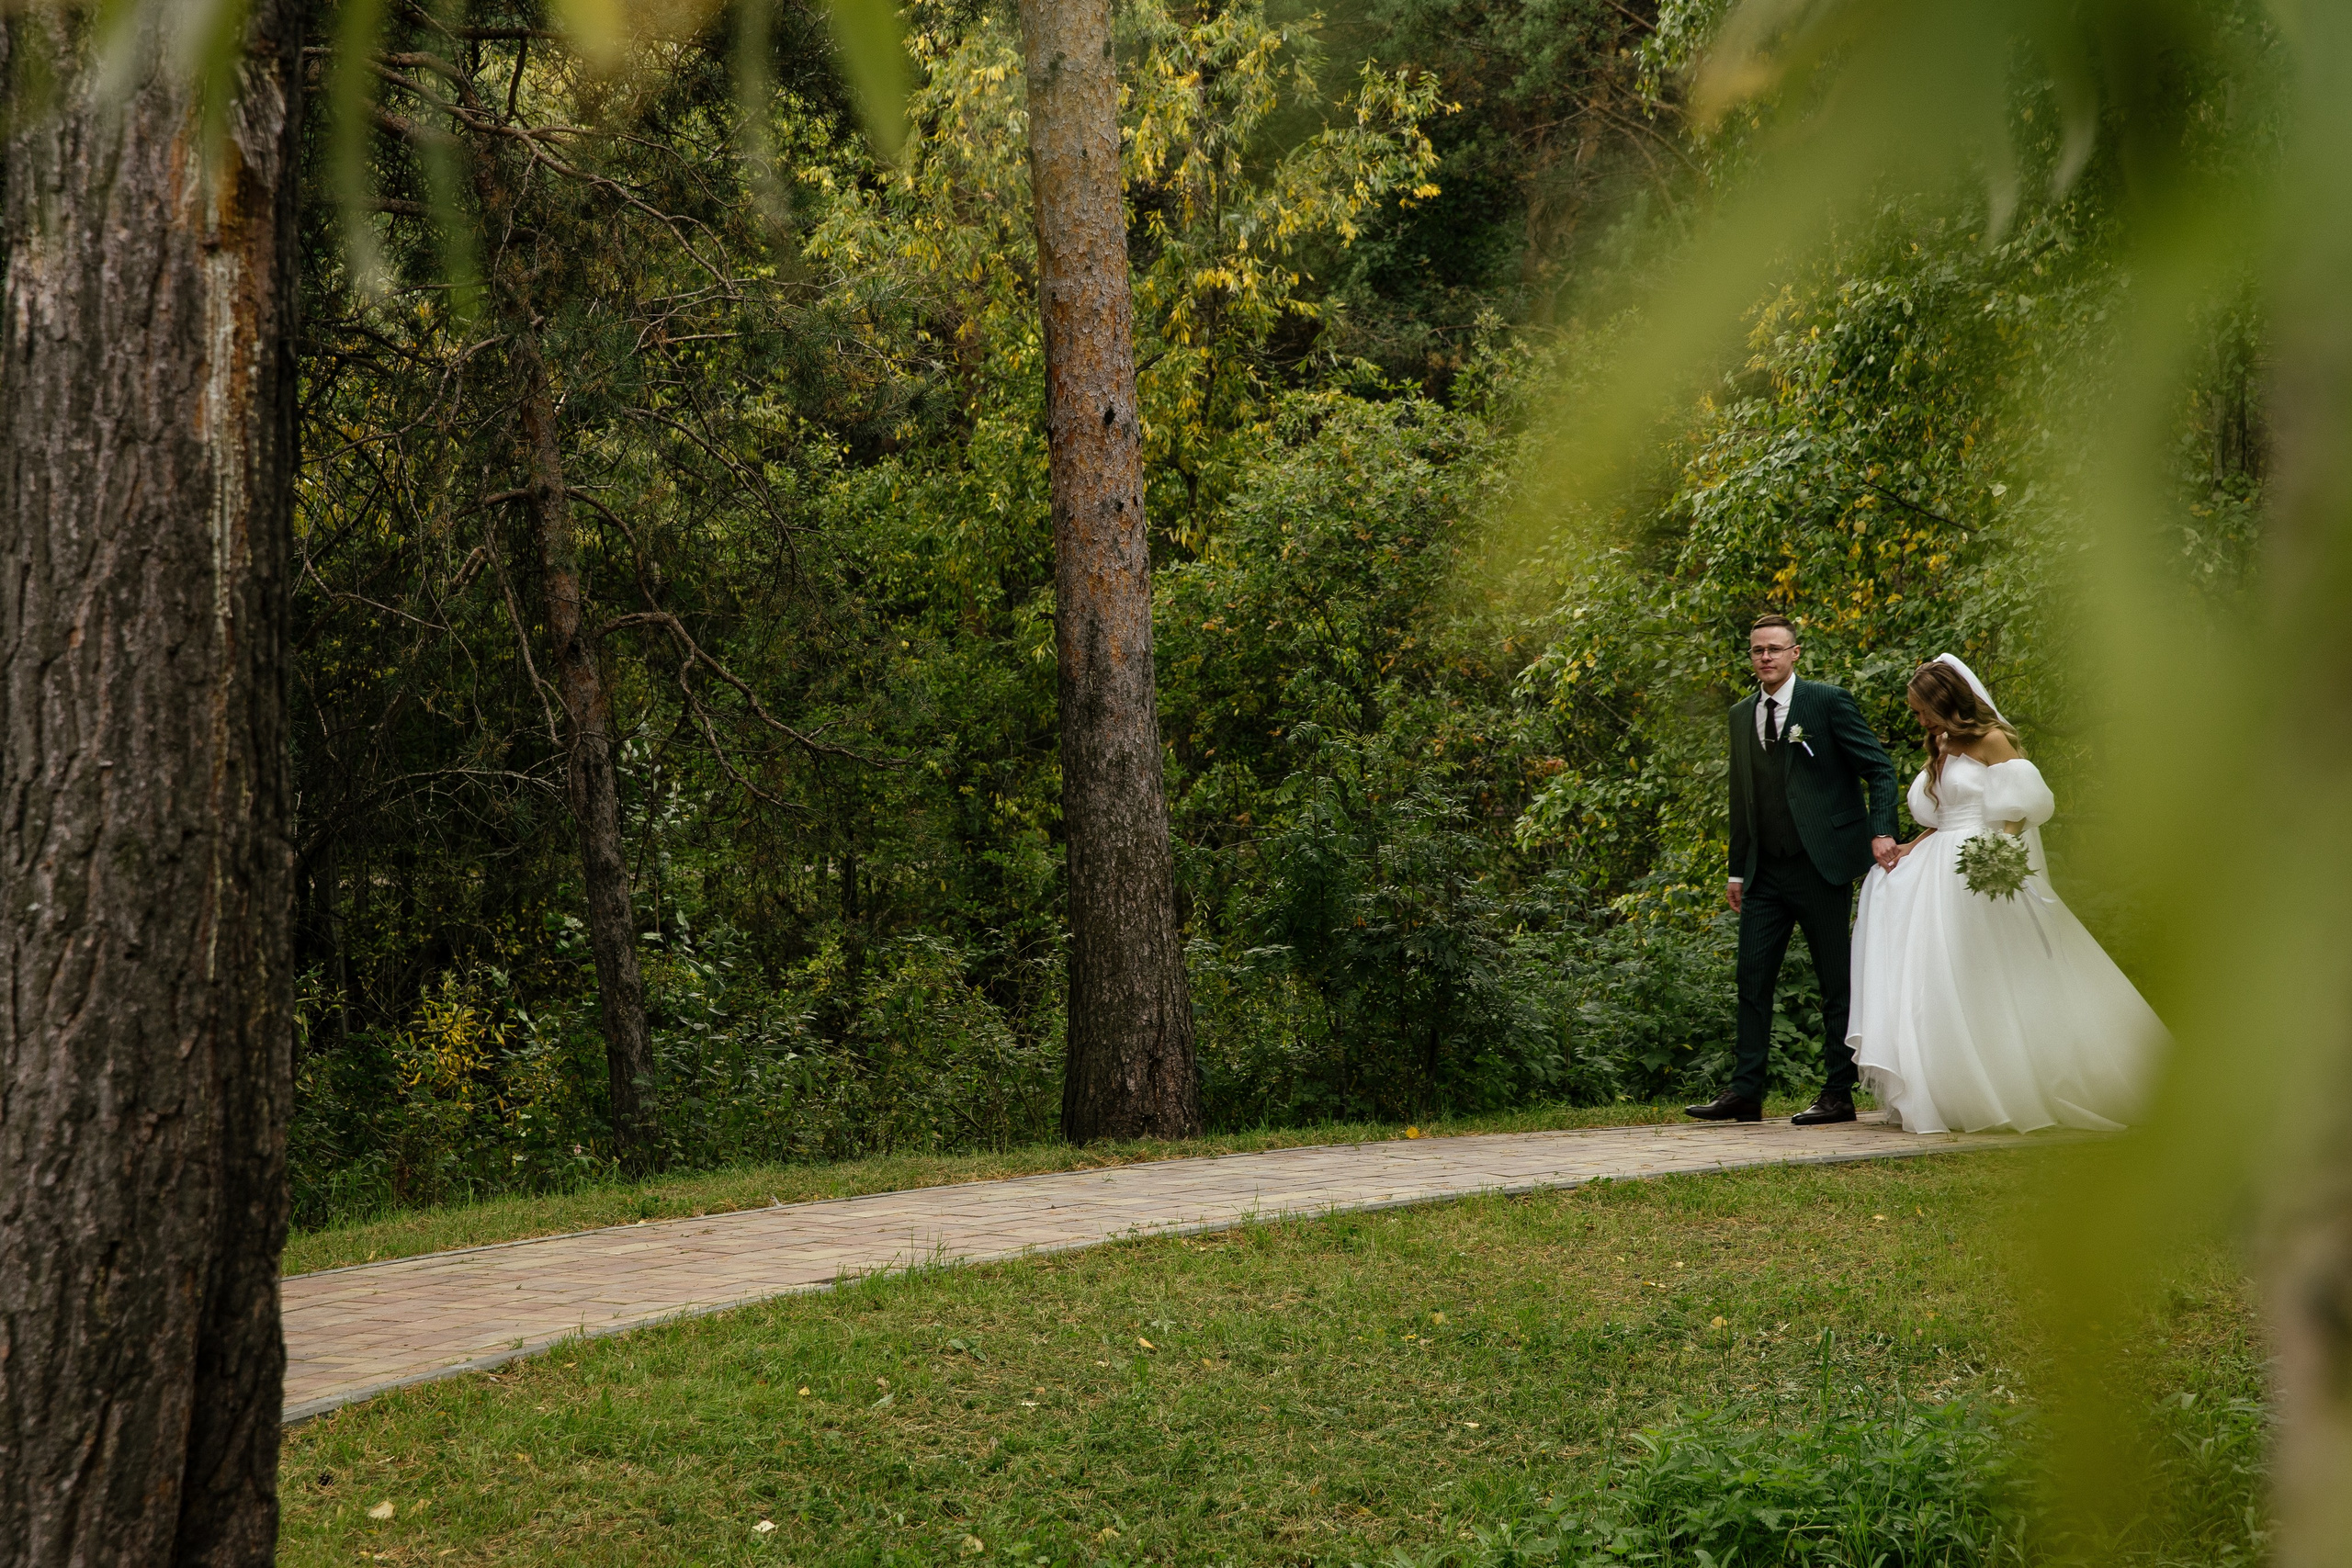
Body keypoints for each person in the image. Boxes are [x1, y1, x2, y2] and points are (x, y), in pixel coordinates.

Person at [1847, 656, 2160, 1133]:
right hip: (1938, 863)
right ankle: (1950, 1089)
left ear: (1944, 702)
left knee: (1990, 974)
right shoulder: (1942, 741)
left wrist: (2002, 853)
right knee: (1930, 970)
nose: (1919, 721)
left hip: (1980, 862)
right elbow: (1947, 814)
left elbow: (2022, 806)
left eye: (1921, 710)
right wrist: (1910, 846)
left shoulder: (1994, 740)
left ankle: (2024, 1083)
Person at [1689, 614, 1902, 1126]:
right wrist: (1737, 869)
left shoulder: (1826, 702)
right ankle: (1745, 1092)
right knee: (1752, 978)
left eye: (1775, 649)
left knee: (1835, 981)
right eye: (1757, 650)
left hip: (1821, 865)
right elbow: (1743, 796)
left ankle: (1837, 1094)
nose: (1765, 657)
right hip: (1765, 873)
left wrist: (1881, 830)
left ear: (1795, 653)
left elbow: (1879, 768)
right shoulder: (1742, 714)